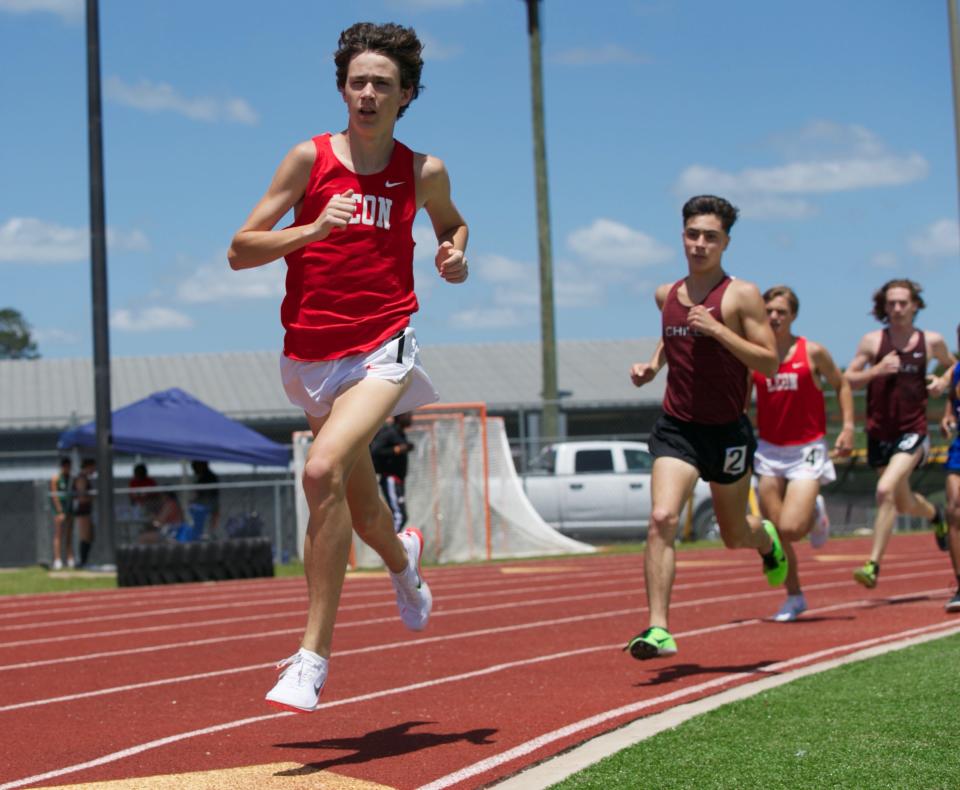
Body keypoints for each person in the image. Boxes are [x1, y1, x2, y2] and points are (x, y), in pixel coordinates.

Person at [228, 22, 468, 712]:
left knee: (319, 469)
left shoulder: (423, 171)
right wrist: (312, 229)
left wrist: (454, 253)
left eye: (382, 85)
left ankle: (311, 659)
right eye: (357, 82)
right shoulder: (308, 159)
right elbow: (240, 250)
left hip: (383, 347)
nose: (367, 94)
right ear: (342, 89)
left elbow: (453, 222)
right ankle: (405, 563)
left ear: (407, 95)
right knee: (364, 516)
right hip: (307, 359)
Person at [625, 194, 786, 660]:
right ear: (682, 237)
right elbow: (672, 335)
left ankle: (765, 539)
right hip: (677, 428)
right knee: (662, 519)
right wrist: (652, 368)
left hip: (728, 431)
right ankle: (658, 629)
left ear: (725, 242)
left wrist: (717, 330)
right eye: (693, 235)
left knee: (734, 535)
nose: (699, 244)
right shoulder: (665, 295)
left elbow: (769, 363)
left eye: (710, 237)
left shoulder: (741, 295)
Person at [750, 285, 855, 622]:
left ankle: (814, 512)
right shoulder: (754, 355)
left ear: (793, 315)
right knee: (775, 531)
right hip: (769, 449)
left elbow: (842, 385)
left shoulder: (812, 352)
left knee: (793, 529)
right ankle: (794, 597)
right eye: (769, 311)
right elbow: (739, 402)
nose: (775, 317)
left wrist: (849, 428)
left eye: (781, 311)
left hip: (807, 448)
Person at [844, 279, 955, 589]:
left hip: (913, 431)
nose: (896, 309)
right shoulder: (872, 342)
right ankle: (935, 516)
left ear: (915, 305)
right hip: (880, 433)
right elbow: (848, 380)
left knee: (884, 489)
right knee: (902, 503)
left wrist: (941, 383)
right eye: (891, 303)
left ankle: (873, 565)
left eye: (902, 303)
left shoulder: (930, 341)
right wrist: (875, 371)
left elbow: (954, 367)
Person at [934, 324, 960, 612]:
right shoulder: (956, 371)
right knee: (954, 509)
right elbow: (953, 402)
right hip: (959, 447)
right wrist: (947, 418)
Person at [371, 412, 415, 532]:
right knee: (399, 515)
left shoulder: (400, 433)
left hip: (398, 480)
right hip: (390, 479)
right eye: (408, 414)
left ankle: (392, 547)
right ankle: (392, 549)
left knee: (398, 515)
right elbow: (375, 451)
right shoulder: (389, 432)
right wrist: (397, 450)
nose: (411, 417)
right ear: (400, 416)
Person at [49, 456, 74, 570]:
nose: (68, 469)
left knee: (69, 534)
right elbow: (54, 496)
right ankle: (57, 559)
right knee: (58, 534)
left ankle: (70, 559)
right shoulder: (56, 478)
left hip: (69, 509)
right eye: (66, 467)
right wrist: (60, 511)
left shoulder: (71, 478)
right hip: (59, 511)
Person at [71, 457, 96, 568]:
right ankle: (82, 562)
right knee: (85, 536)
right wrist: (91, 497)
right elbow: (81, 496)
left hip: (87, 510)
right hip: (82, 510)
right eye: (93, 468)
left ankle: (84, 561)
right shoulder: (81, 478)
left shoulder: (85, 478)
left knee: (90, 535)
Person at [191, 460, 220, 534]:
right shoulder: (205, 476)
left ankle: (207, 534)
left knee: (207, 525)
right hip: (206, 505)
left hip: (207, 505)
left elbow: (198, 493)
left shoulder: (208, 476)